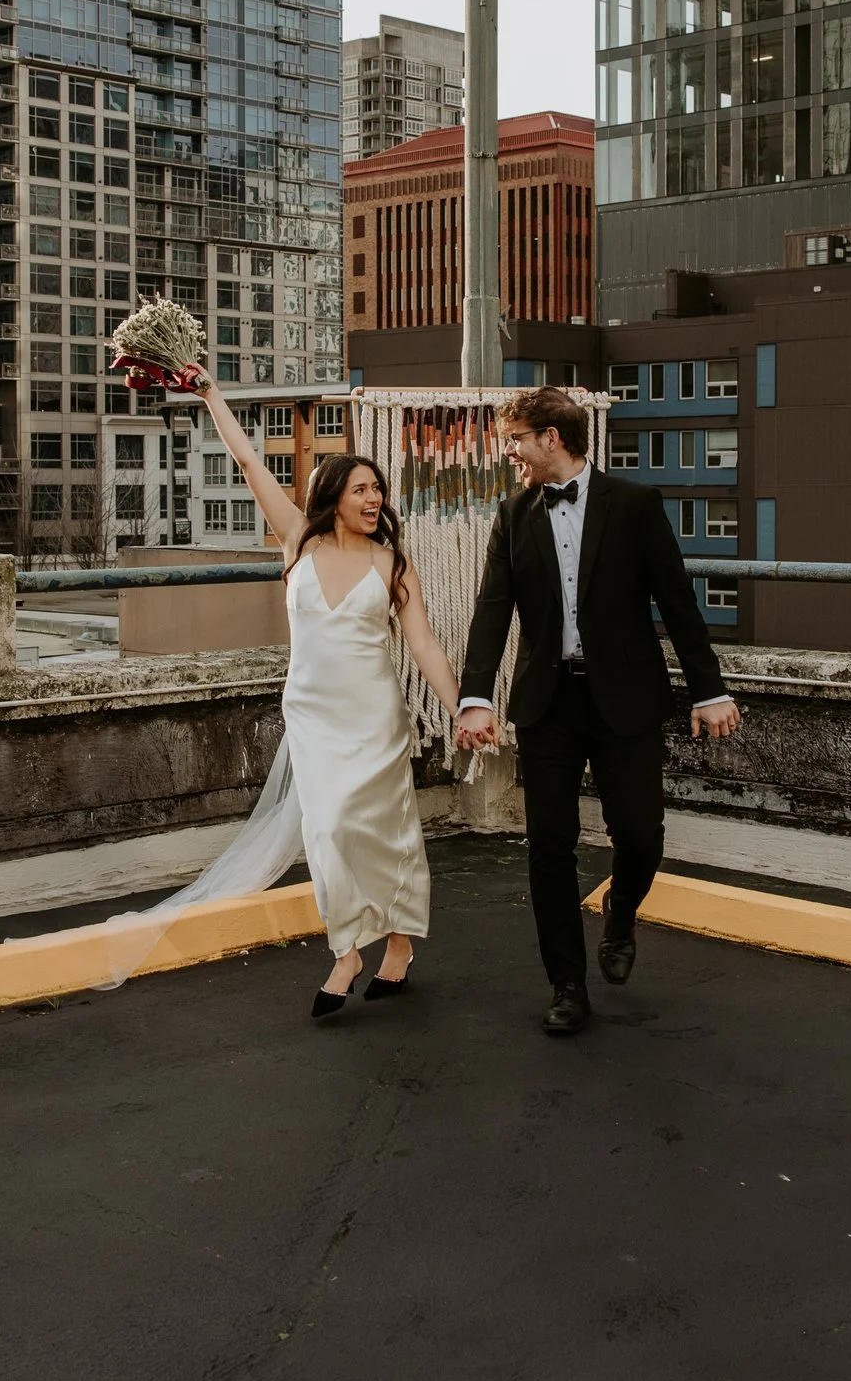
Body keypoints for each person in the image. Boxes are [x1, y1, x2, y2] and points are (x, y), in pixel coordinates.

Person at [454, 386, 741, 1036]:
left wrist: (709, 687)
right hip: (547, 704)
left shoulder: (636, 506)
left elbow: (676, 601)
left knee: (641, 835)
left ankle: (621, 908)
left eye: (517, 439)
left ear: (552, 438)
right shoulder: (512, 514)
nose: (511, 452)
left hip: (627, 700)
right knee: (547, 846)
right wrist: (475, 697)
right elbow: (492, 609)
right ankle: (566, 983)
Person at [194, 371, 463, 1017]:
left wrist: (464, 707)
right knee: (330, 830)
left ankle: (397, 945)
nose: (374, 498)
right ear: (334, 494)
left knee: (389, 833)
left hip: (374, 716)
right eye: (362, 487)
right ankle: (347, 948)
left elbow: (423, 644)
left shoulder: (393, 564)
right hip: (313, 715)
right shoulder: (299, 540)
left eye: (378, 490)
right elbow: (248, 459)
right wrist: (209, 394)